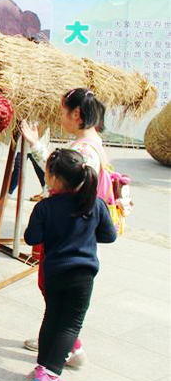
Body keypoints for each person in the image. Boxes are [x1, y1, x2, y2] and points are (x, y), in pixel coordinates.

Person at [19, 87, 111, 360]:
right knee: (59, 293)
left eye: (62, 111)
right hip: (78, 233)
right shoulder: (94, 142)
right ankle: (63, 339)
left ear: (77, 114)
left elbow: (59, 178)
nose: (60, 116)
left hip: (65, 233)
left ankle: (65, 345)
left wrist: (36, 146)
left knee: (53, 289)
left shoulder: (82, 149)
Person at [23, 148, 116, 381]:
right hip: (82, 276)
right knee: (71, 323)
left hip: (54, 273)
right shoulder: (95, 204)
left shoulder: (45, 207)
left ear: (53, 178)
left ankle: (43, 366)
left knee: (52, 318)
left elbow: (31, 238)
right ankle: (50, 374)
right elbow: (109, 235)